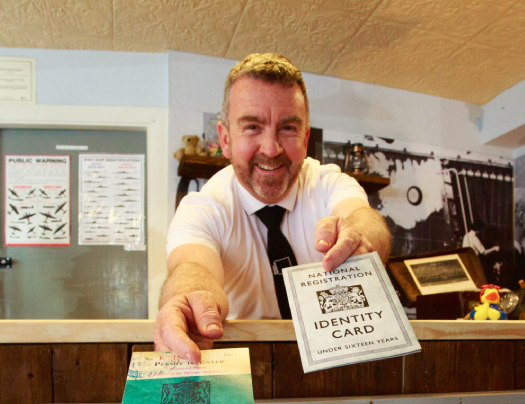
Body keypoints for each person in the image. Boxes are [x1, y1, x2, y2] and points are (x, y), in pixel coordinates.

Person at [155, 53, 391, 361]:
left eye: (288, 127)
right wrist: (188, 298)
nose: (271, 148)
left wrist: (358, 236)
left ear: (305, 137)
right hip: (250, 364)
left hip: (339, 358)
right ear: (225, 139)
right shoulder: (203, 207)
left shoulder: (328, 182)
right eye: (252, 127)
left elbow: (361, 217)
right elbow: (192, 267)